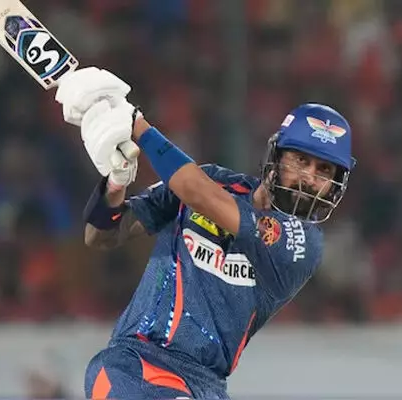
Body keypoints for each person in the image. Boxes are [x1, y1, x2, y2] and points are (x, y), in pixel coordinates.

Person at [55, 68, 356, 399]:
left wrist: (135, 123)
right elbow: (101, 235)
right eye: (300, 160)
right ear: (277, 156)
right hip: (133, 365)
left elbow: (198, 192)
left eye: (324, 170)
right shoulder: (214, 181)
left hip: (205, 387)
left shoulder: (302, 244)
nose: (309, 178)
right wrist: (116, 181)